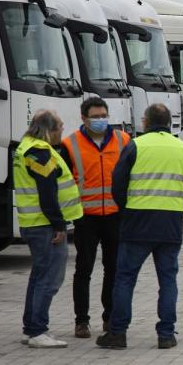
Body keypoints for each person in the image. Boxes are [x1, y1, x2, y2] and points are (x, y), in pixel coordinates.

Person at [96, 103, 183, 350]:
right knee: (168, 280)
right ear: (168, 122)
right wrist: (175, 206)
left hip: (137, 223)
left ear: (146, 122)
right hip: (171, 224)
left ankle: (117, 333)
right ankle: (166, 334)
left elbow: (117, 184)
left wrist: (127, 208)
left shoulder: (135, 145)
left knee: (125, 278)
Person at [59, 97, 131, 339]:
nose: (100, 120)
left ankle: (110, 318)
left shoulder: (123, 140)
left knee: (113, 269)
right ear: (83, 118)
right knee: (83, 270)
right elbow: (64, 183)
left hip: (114, 216)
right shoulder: (70, 144)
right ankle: (81, 321)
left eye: (104, 116)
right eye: (95, 116)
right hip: (85, 218)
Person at [16, 110, 83, 348]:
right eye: (60, 128)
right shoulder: (40, 153)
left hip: (35, 223)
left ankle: (30, 328)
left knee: (38, 276)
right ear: (49, 130)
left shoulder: (27, 146)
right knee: (49, 279)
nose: (62, 132)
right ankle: (37, 331)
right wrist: (59, 224)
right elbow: (47, 192)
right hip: (44, 225)